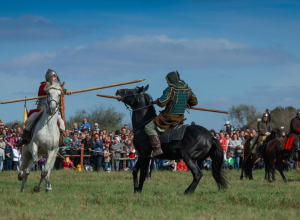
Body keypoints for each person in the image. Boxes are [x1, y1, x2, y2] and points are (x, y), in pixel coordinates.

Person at [145, 71, 198, 157]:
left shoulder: (170, 89)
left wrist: (156, 101)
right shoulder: (187, 88)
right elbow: (195, 101)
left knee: (148, 127)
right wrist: (185, 102)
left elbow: (162, 102)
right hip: (180, 117)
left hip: (169, 117)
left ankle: (157, 148)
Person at [17, 69, 72, 147]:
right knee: (30, 120)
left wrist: (64, 91)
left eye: (56, 76)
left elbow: (57, 90)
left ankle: (61, 140)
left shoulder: (56, 86)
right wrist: (65, 90)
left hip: (52, 110)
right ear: (49, 77)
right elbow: (51, 89)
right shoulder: (44, 85)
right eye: (54, 76)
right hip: (41, 109)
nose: (56, 78)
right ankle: (24, 139)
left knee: (61, 122)